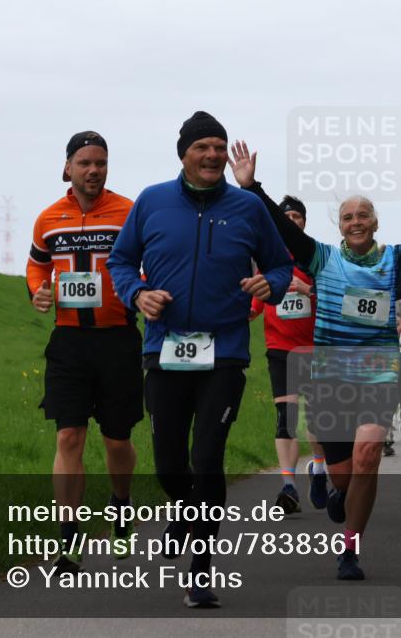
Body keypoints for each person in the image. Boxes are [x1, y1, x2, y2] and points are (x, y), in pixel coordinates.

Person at [229, 139, 401, 580]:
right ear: (340, 226)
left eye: (363, 216)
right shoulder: (321, 258)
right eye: (347, 217)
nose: (356, 222)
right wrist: (251, 186)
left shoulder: (398, 260)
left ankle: (350, 550)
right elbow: (284, 230)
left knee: (368, 457)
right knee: (342, 478)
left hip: (378, 373)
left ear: (376, 222)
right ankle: (340, 496)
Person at [106, 112, 293, 609]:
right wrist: (137, 294)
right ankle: (187, 511)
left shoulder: (248, 207)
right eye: (202, 147)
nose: (212, 155)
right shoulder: (151, 201)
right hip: (164, 349)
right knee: (170, 464)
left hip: (225, 351)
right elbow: (120, 261)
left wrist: (268, 284)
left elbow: (280, 264)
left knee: (206, 458)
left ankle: (201, 571)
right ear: (183, 154)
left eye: (219, 146)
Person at [27, 131, 143, 574]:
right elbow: (37, 263)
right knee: (68, 436)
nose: (94, 170)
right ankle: (69, 539)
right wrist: (38, 291)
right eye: (85, 163)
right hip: (69, 341)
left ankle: (121, 504)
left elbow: (146, 259)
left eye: (101, 163)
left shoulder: (127, 212)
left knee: (117, 440)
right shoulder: (48, 218)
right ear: (68, 168)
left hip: (117, 338)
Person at [247, 195, 330, 513]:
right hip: (280, 350)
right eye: (287, 216)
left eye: (298, 216)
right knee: (286, 419)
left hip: (316, 348)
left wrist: (307, 290)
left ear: (305, 222)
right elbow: (254, 306)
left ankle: (319, 468)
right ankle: (288, 486)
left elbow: (337, 300)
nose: (292, 221)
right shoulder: (267, 260)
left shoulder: (316, 258)